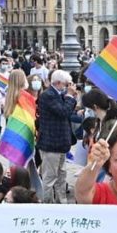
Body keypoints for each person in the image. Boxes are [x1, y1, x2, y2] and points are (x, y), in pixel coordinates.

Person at [36, 70, 77, 203]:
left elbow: (67, 110)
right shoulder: (48, 95)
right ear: (58, 83)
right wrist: (70, 96)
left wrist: (70, 97)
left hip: (61, 144)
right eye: (66, 84)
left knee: (61, 176)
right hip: (51, 144)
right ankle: (48, 204)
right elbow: (63, 111)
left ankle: (61, 202)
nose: (68, 87)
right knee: (50, 178)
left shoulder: (59, 94)